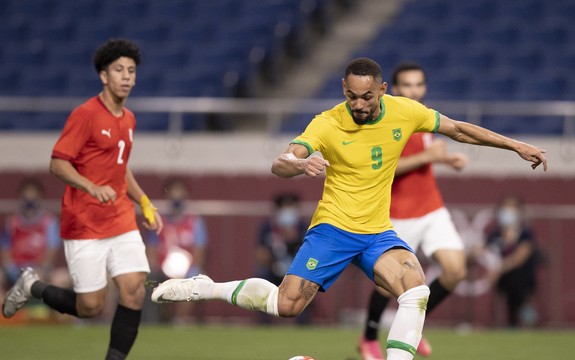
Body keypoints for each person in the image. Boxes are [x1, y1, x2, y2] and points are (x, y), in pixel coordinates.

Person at [151, 58, 546, 360]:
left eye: (367, 97)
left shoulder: (405, 111)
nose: (358, 104)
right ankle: (207, 287)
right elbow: (281, 161)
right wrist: (299, 163)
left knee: (416, 288)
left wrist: (516, 145)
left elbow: (458, 129)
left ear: (382, 90)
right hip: (333, 229)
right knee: (286, 305)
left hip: (376, 232)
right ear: (343, 88)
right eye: (351, 95)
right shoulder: (327, 123)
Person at [2, 39, 163, 360]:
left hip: (120, 217)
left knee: (133, 291)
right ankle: (32, 287)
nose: (127, 76)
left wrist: (144, 202)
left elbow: (120, 168)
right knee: (90, 307)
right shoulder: (86, 114)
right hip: (85, 223)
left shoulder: (128, 119)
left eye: (131, 71)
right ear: (104, 76)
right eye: (119, 70)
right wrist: (90, 186)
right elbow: (58, 163)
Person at [358, 63, 468, 360]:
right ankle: (368, 338)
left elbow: (422, 160)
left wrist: (445, 161)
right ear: (393, 89)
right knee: (387, 284)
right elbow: (381, 169)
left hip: (431, 208)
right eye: (406, 85)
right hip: (396, 213)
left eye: (418, 85)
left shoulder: (422, 116)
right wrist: (428, 157)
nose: (413, 91)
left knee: (456, 270)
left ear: (425, 87)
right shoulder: (385, 121)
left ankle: (412, 326)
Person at [1, 179, 71, 311]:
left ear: (40, 197)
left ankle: (53, 318)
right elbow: (5, 252)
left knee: (62, 278)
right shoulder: (12, 223)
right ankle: (7, 315)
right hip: (16, 272)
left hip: (40, 271)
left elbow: (50, 253)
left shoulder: (49, 222)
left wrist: (36, 272)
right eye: (26, 193)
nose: (30, 198)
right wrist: (13, 271)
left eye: (33, 194)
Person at [146, 178, 207, 324]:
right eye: (173, 191)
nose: (176, 195)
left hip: (187, 270)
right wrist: (155, 268)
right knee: (149, 280)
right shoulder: (159, 222)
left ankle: (180, 320)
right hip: (161, 270)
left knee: (195, 279)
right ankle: (156, 320)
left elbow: (200, 251)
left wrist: (192, 267)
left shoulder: (194, 222)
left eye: (180, 191)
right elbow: (151, 250)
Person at [486, 195, 540, 328]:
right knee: (509, 282)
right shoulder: (495, 235)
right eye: (505, 207)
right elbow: (484, 251)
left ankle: (525, 316)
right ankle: (511, 321)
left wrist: (500, 268)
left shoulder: (525, 233)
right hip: (503, 280)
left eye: (512, 208)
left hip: (523, 278)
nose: (507, 212)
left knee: (517, 279)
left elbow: (520, 257)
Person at [255, 193, 309, 324]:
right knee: (261, 276)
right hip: (273, 266)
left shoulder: (303, 227)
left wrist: (293, 239)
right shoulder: (268, 227)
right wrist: (272, 263)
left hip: (296, 268)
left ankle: (304, 322)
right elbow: (260, 253)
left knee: (308, 282)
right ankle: (264, 322)